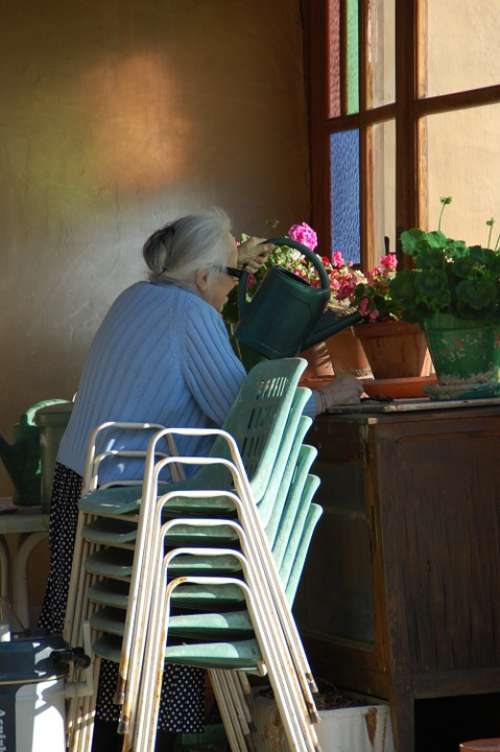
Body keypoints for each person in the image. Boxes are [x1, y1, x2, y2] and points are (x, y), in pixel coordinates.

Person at [38, 209, 362, 751]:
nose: (233, 291)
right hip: (135, 510)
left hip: (83, 494)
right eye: (232, 277)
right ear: (203, 276)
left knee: (95, 645)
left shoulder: (131, 300)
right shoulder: (190, 314)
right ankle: (159, 737)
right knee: (166, 624)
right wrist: (329, 396)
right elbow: (245, 417)